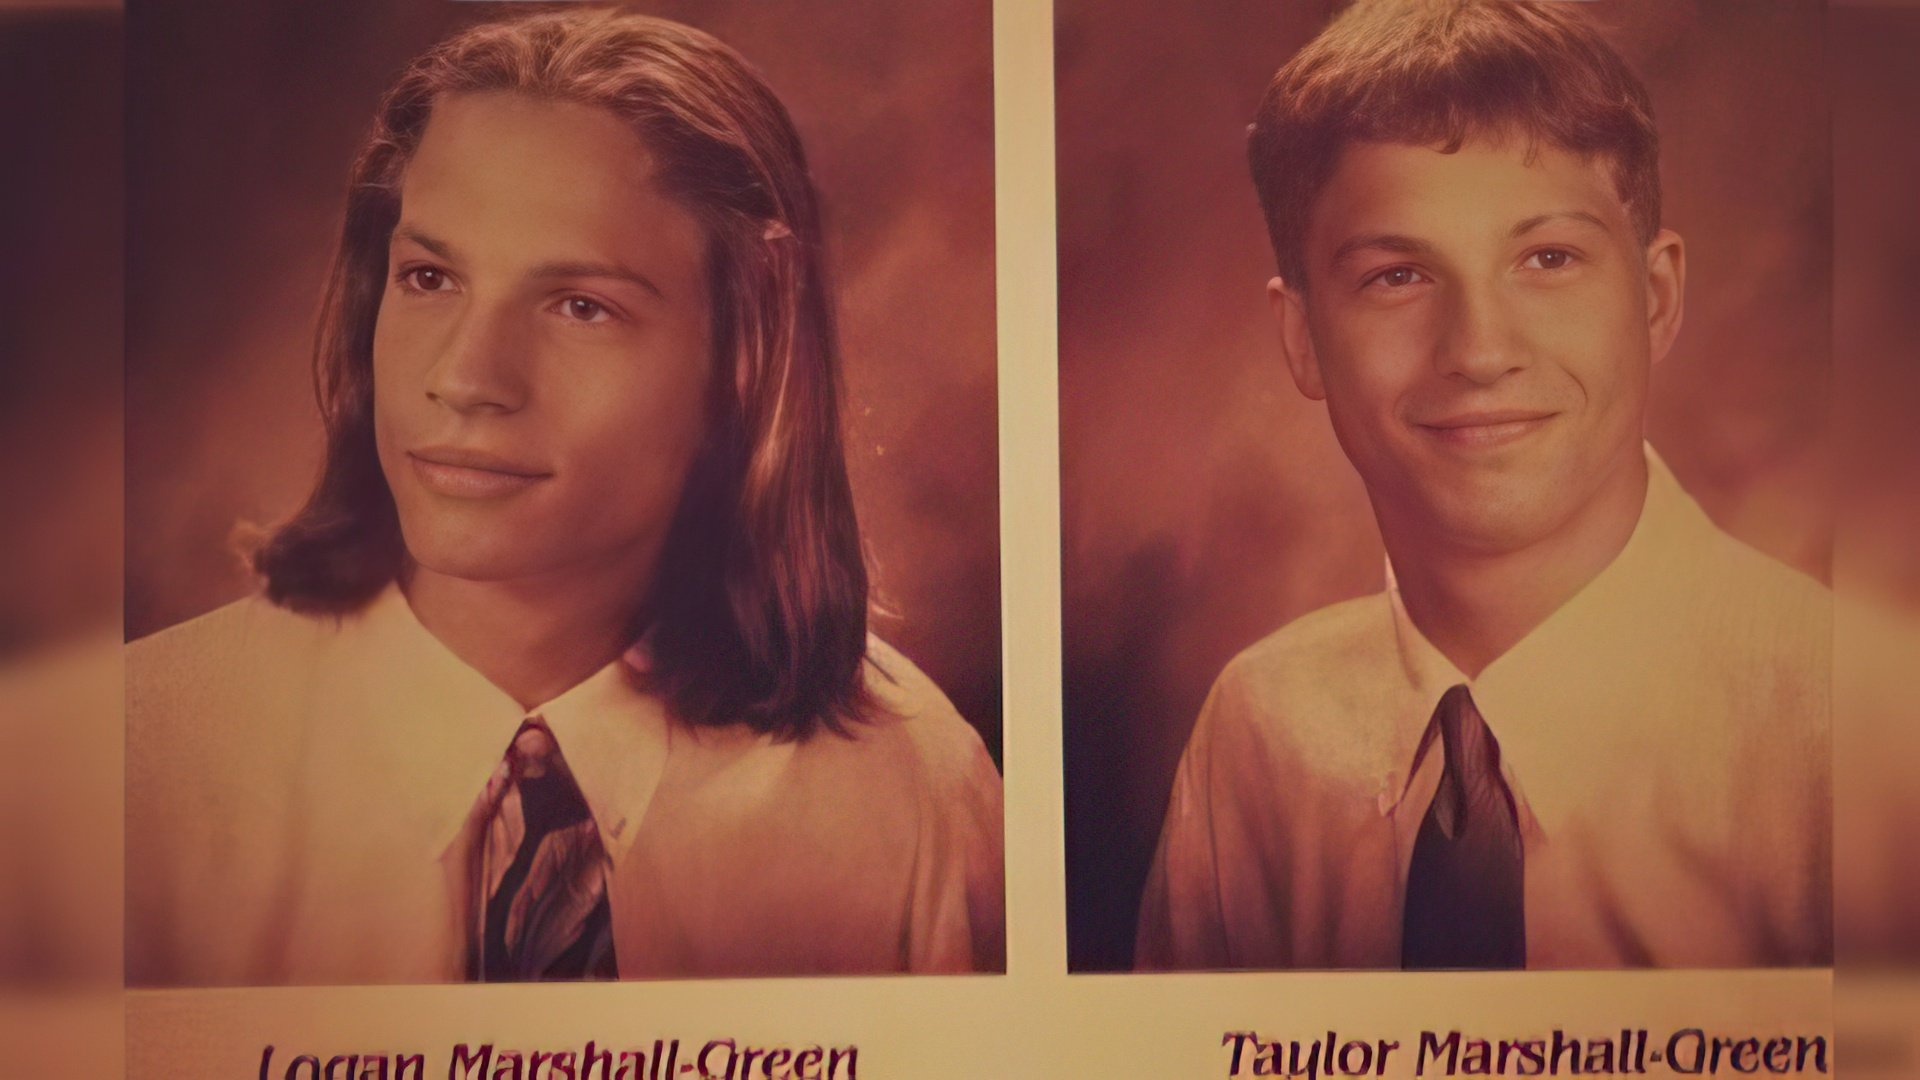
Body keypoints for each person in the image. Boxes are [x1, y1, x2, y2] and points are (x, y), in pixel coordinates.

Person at [127, 8, 1003, 985]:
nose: (465, 377)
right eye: (429, 277)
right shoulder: (126, 771)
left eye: (581, 305)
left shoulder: (913, 789)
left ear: (745, 360)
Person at [1136, 0, 1829, 970]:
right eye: (1398, 276)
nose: (1479, 350)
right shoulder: (1257, 740)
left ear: (1657, 297)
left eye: (1547, 260)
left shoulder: (1854, 747)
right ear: (1301, 338)